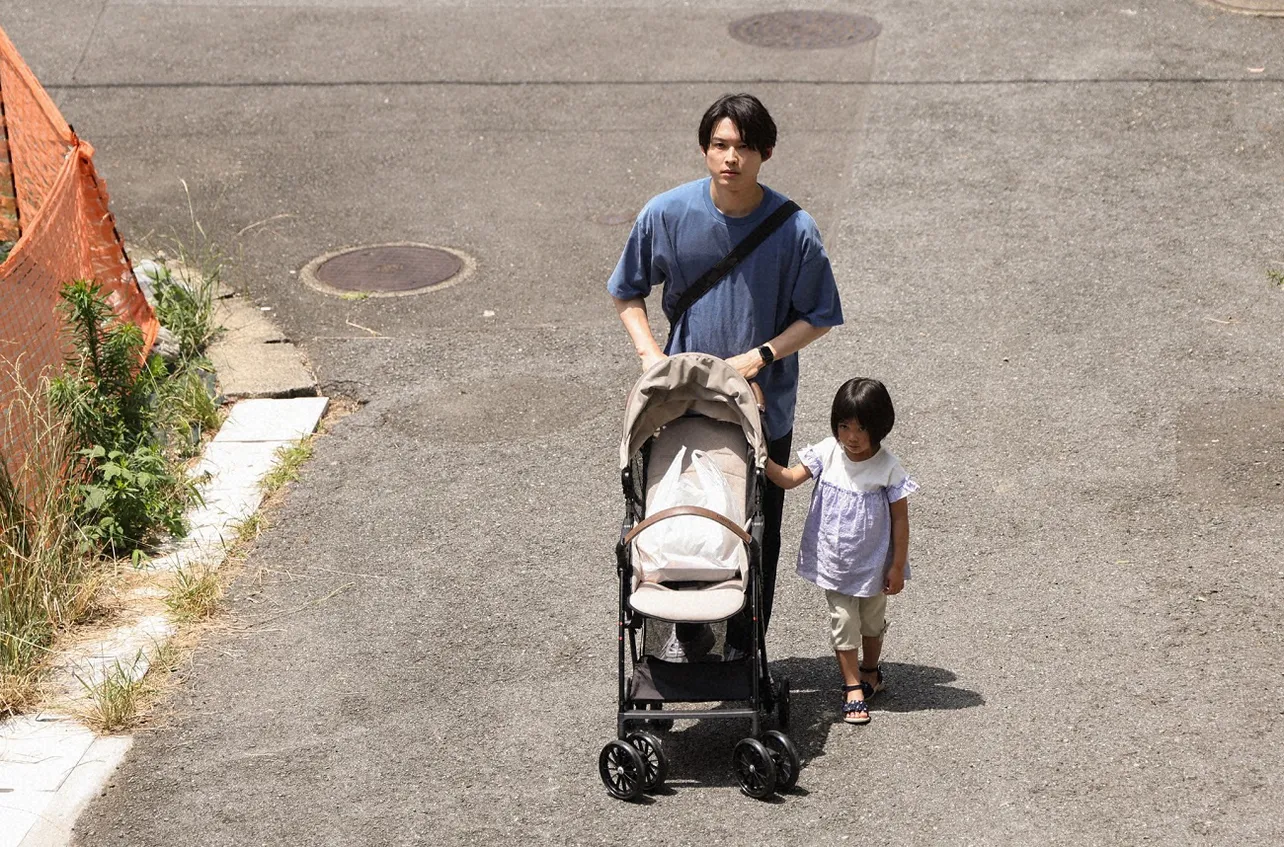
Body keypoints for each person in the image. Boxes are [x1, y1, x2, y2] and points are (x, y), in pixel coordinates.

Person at [608, 93, 844, 661]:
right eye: (719, 145)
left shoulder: (795, 230)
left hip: (763, 407)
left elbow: (819, 316)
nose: (730, 158)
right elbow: (626, 291)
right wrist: (649, 355)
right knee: (679, 520)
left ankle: (745, 649)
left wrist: (762, 354)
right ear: (704, 149)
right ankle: (686, 632)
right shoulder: (667, 214)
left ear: (766, 153)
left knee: (758, 531)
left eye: (742, 147)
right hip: (681, 402)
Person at [766, 378, 917, 725]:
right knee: (844, 621)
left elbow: (901, 520)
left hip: (875, 565)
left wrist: (897, 565)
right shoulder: (827, 452)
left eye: (861, 428)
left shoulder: (888, 468)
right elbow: (790, 478)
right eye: (844, 426)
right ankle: (852, 687)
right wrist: (763, 463)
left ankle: (870, 672)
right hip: (836, 563)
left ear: (880, 427)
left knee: (872, 622)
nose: (851, 436)